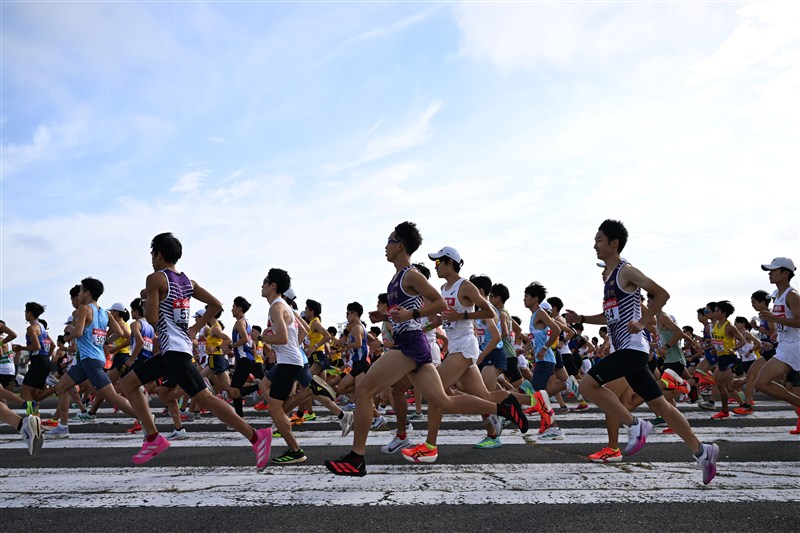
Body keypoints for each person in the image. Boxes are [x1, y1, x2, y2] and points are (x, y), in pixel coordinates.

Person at [324, 223, 527, 476]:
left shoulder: (411, 275)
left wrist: (412, 314)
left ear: (400, 246)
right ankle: (503, 408)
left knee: (364, 390)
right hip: (413, 344)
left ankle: (357, 457)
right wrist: (385, 316)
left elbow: (439, 303)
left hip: (410, 344)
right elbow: (408, 310)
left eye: (389, 241)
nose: (385, 247)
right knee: (441, 400)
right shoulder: (397, 278)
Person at [565, 219, 718, 484]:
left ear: (614, 243)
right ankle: (702, 451)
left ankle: (635, 425)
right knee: (660, 405)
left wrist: (643, 321)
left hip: (632, 349)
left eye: (599, 240)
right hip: (629, 351)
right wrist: (582, 318)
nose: (595, 246)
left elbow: (661, 294)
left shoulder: (626, 271)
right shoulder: (611, 281)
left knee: (588, 386)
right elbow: (609, 317)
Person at [121, 233, 271, 467]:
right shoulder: (188, 282)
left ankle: (256, 436)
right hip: (175, 350)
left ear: (159, 254)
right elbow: (216, 305)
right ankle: (152, 437)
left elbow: (151, 318)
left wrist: (147, 298)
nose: (151, 259)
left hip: (174, 352)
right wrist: (194, 328)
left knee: (205, 398)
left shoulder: (155, 279)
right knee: (129, 383)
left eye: (152, 254)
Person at [46, 279, 139, 438]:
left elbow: (78, 332)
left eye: (81, 291)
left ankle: (143, 416)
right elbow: (121, 333)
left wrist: (69, 334)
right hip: (92, 360)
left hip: (90, 360)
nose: (79, 294)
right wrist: (105, 340)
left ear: (87, 293)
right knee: (62, 387)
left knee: (112, 396)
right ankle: (62, 427)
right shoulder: (105, 313)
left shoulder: (84, 309)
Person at [754, 257, 800, 434]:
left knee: (764, 383)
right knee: (761, 383)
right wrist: (777, 332)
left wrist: (774, 319)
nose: (770, 273)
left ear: (785, 273)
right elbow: (786, 322)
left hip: (795, 347)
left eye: (773, 270)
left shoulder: (792, 295)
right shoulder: (778, 296)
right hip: (785, 346)